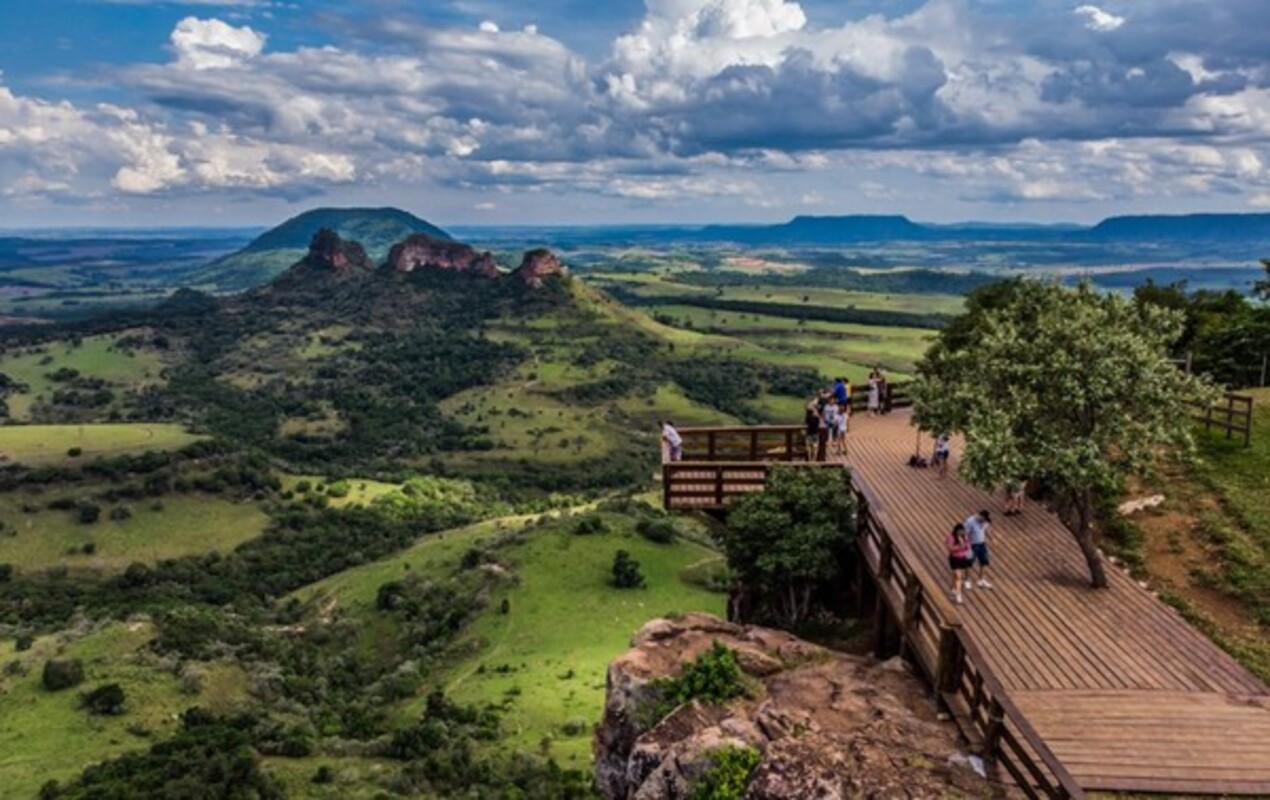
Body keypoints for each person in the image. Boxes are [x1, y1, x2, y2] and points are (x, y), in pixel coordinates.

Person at [963, 510, 993, 589]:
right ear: (981, 516)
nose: (984, 522)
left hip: (982, 544)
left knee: (984, 561)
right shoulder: (970, 521)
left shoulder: (984, 522)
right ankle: (967, 580)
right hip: (972, 545)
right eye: (984, 520)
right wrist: (966, 545)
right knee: (969, 563)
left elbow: (986, 529)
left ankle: (981, 580)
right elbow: (965, 533)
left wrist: (991, 538)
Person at [947, 522, 973, 604]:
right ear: (957, 531)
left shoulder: (965, 537)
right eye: (960, 531)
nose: (962, 533)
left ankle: (953, 589)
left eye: (963, 531)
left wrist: (965, 541)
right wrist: (961, 545)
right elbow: (951, 549)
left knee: (956, 575)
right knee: (958, 577)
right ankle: (959, 596)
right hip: (954, 558)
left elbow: (968, 547)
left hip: (962, 558)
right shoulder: (951, 537)